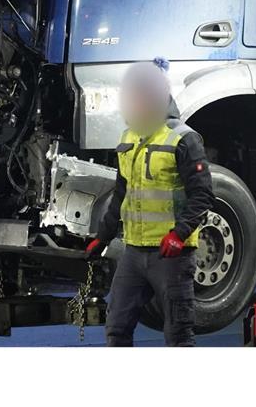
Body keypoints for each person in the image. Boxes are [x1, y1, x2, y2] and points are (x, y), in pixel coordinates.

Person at [86, 58, 214, 346]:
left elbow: (203, 194)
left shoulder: (183, 139)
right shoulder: (129, 138)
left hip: (171, 257)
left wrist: (179, 234)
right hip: (133, 253)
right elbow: (122, 194)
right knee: (116, 329)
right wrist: (102, 237)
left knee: (178, 336)